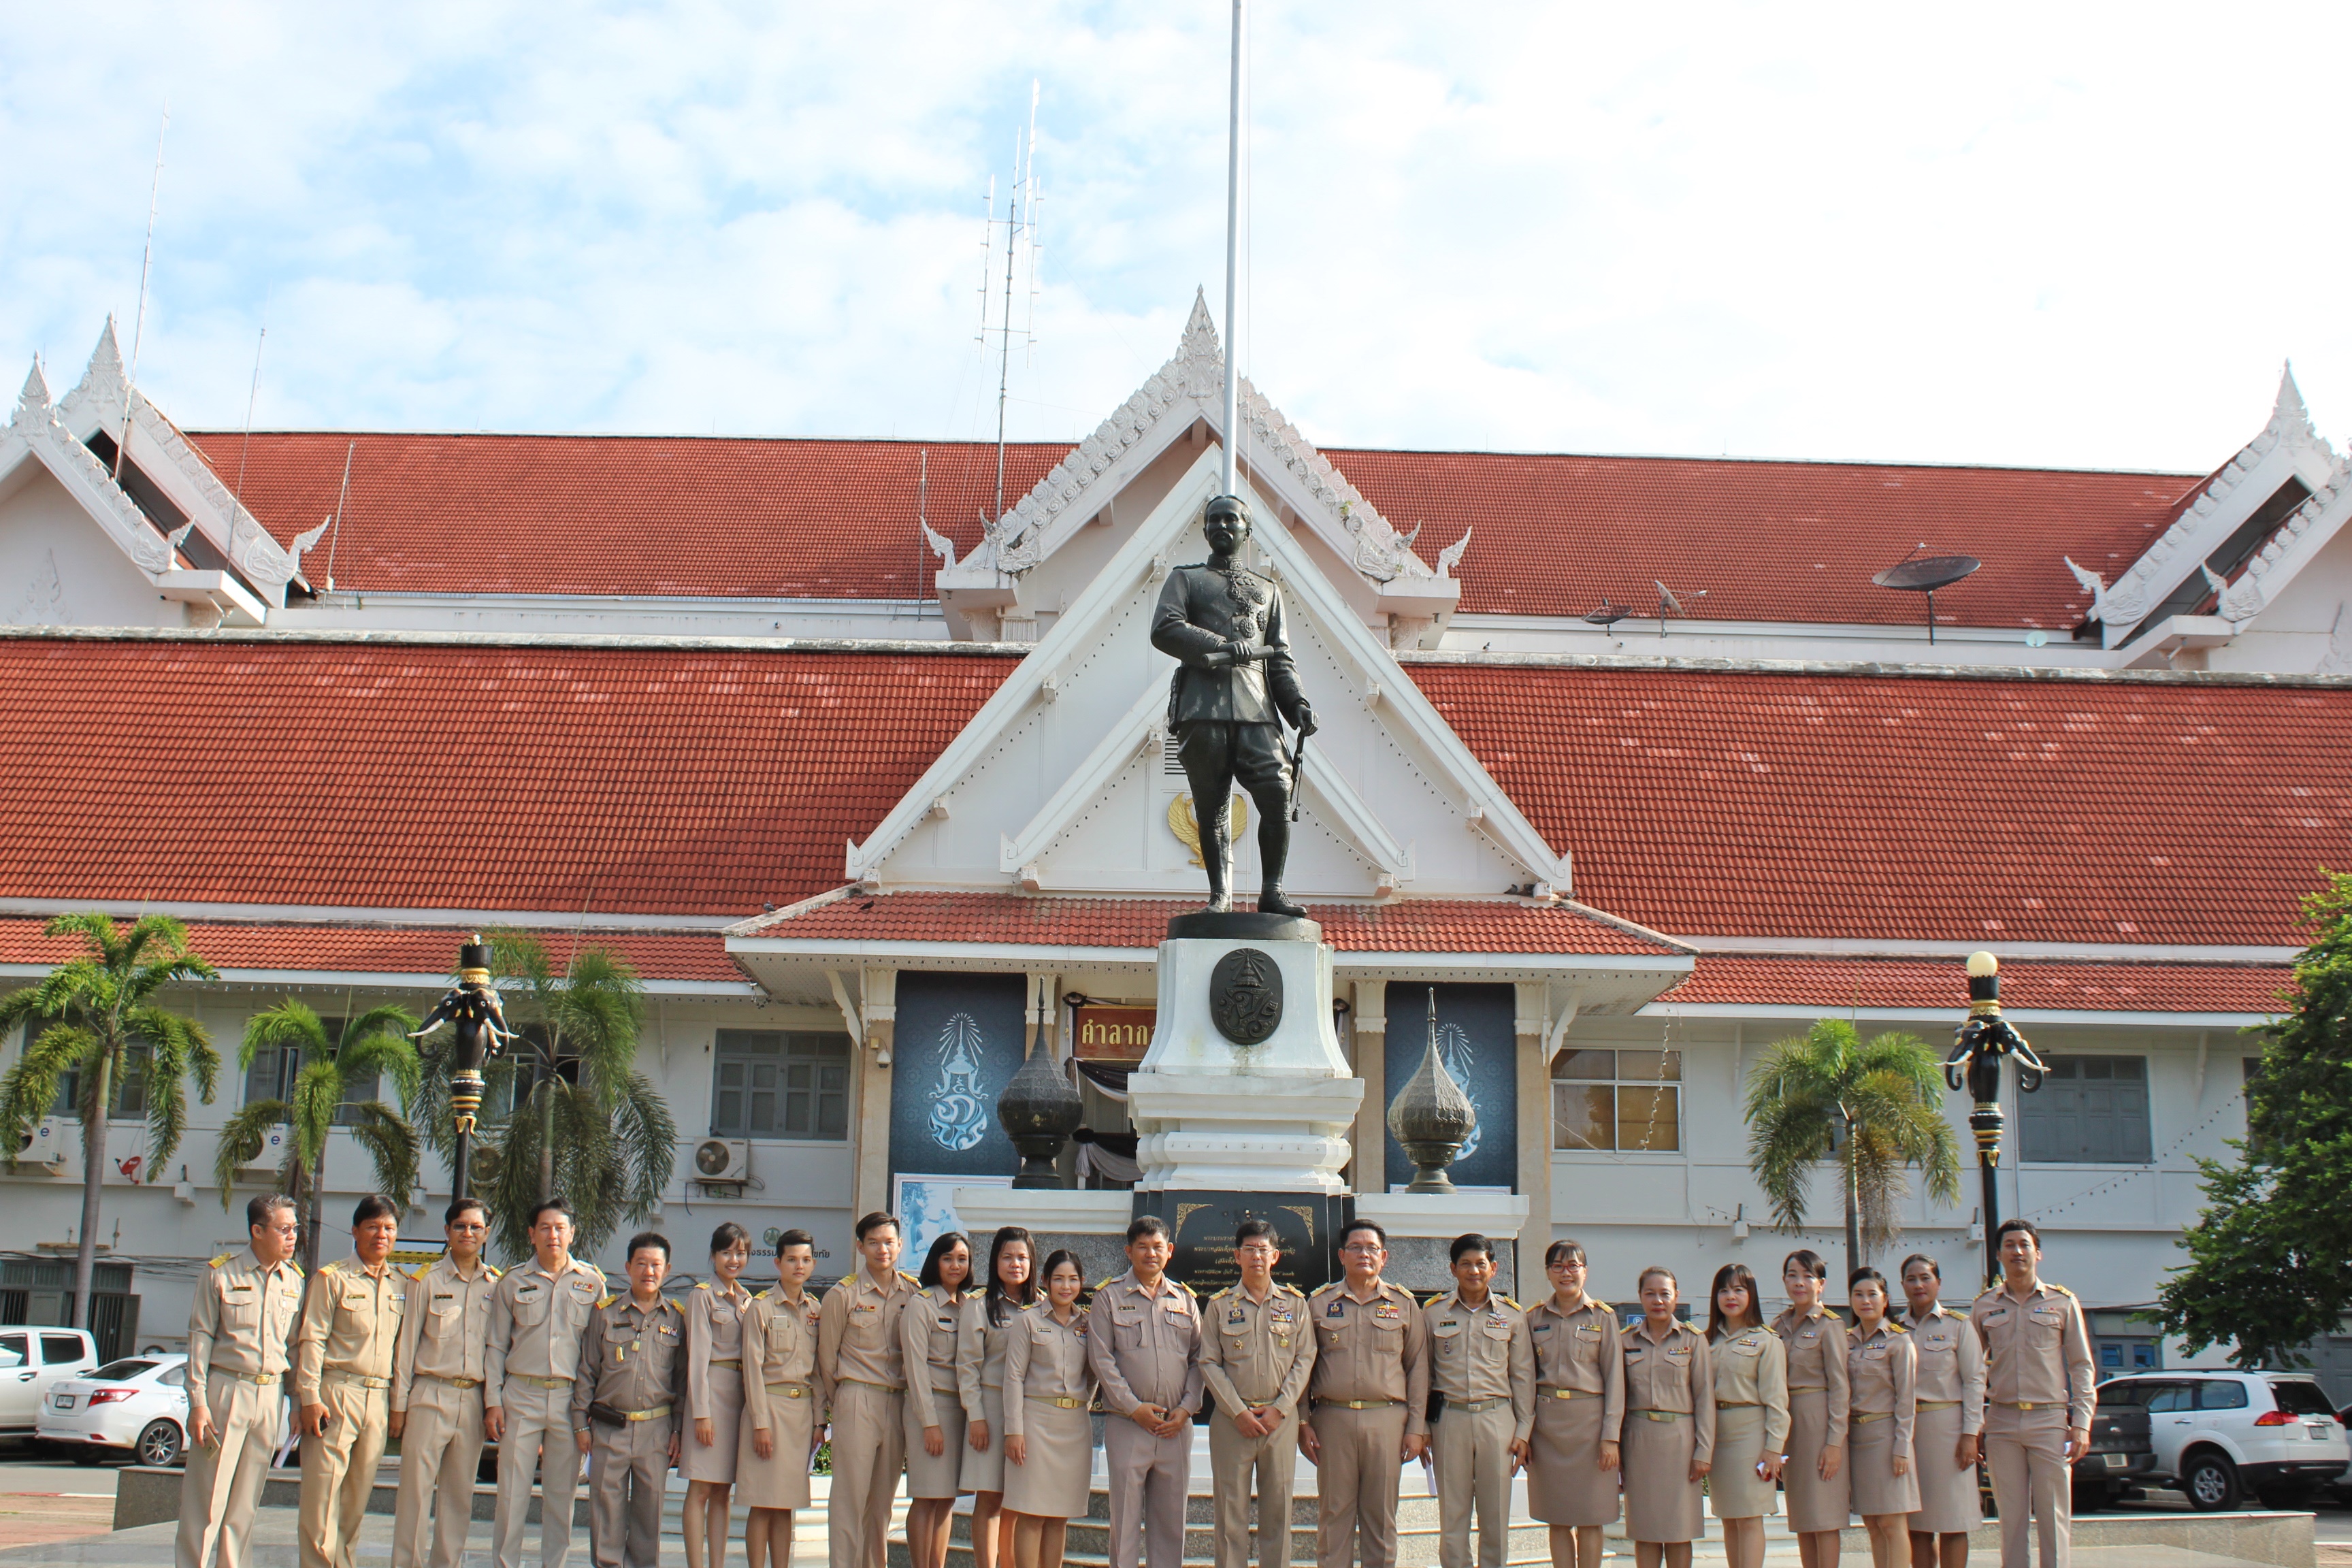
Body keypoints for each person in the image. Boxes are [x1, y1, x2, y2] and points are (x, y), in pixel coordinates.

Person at [1147, 491, 1319, 915]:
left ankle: (1272, 890)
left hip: (1257, 710)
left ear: (1247, 530)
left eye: (1231, 520)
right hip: (1202, 708)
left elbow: (1279, 656)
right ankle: (1220, 895)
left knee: (1278, 793)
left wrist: (1295, 702)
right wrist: (1223, 644)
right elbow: (1165, 627)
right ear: (1205, 531)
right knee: (1212, 806)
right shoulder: (1185, 580)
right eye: (1214, 521)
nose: (1222, 526)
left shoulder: (1268, 590)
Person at [176, 1193, 306, 1568]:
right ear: (257, 1230)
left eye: (294, 1228)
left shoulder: (293, 1280)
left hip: (270, 1396)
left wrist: (295, 1403)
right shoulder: (222, 1273)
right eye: (284, 1229)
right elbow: (200, 1337)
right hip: (226, 1392)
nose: (292, 1236)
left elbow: (294, 1347)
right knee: (208, 1499)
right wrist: (197, 1403)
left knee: (246, 1503)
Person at [1299, 1218, 1430, 1568]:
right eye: (1355, 1247)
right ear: (1342, 1255)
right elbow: (1303, 1366)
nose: (1364, 1254)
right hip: (1332, 1419)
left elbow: (1418, 1367)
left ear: (1384, 1257)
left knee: (1381, 1518)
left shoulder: (1403, 1305)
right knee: (1333, 1516)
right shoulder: (1319, 1303)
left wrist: (1416, 1427)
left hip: (1387, 1420)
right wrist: (1302, 1422)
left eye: (1372, 1248)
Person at [487, 1196, 607, 1568]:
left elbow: (600, 1350)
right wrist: (493, 1400)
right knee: (512, 1494)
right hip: (521, 1395)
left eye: (560, 1228)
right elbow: (495, 1345)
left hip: (571, 1402)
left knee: (562, 1496)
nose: (552, 1235)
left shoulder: (592, 1283)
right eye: (544, 1227)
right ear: (531, 1235)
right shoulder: (512, 1282)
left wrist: (591, 1409)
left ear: (572, 1233)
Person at [1970, 1220, 2095, 1568]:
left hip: (2050, 1421)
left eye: (2024, 1245)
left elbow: (2081, 1366)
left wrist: (2082, 1424)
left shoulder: (2063, 1302)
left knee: (2054, 1519)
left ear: (2037, 1253)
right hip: (2002, 1422)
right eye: (2009, 1245)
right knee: (2011, 1520)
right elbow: (1971, 1372)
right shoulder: (1983, 1307)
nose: (2017, 1251)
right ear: (1998, 1255)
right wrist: (1975, 1424)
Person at [293, 1194, 405, 1568]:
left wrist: (396, 1405)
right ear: (355, 1232)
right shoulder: (333, 1278)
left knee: (356, 1500)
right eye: (373, 1227)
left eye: (389, 1228)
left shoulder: (401, 1285)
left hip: (378, 1399)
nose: (381, 1235)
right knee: (322, 1496)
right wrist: (309, 1396)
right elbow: (312, 1338)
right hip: (336, 1394)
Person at [1198, 1219, 1316, 1568]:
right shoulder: (1219, 1306)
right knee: (1229, 1514)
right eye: (1248, 1250)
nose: (1256, 1257)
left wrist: (1281, 1408)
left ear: (1275, 1256)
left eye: (1263, 1250)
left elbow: (1305, 1357)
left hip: (1280, 1422)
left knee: (1278, 1513)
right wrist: (1238, 1411)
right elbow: (1208, 1362)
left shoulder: (1295, 1304)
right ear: (1237, 1256)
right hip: (1232, 1422)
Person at [1087, 1215, 1203, 1568]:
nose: (1150, 1254)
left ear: (1169, 1251)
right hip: (1128, 1424)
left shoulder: (1185, 1300)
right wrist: (1134, 1407)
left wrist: (1186, 1409)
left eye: (1157, 1247)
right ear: (1129, 1251)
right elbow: (1101, 1360)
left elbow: (1201, 1360)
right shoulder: (1108, 1298)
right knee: (1124, 1520)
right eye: (1142, 1247)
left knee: (1170, 1522)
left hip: (1175, 1426)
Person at [392, 1198, 502, 1568]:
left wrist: (492, 1404)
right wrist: (399, 1405)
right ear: (447, 1232)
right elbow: (406, 1346)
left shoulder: (496, 1286)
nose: (467, 1233)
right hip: (429, 1394)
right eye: (460, 1226)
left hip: (472, 1400)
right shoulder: (425, 1281)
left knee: (458, 1496)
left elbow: (497, 1350)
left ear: (487, 1234)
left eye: (475, 1227)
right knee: (415, 1494)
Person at [573, 1232, 684, 1568]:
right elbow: (587, 1370)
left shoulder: (676, 1318)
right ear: (628, 1267)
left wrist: (677, 1430)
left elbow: (681, 1381)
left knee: (649, 1511)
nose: (648, 1271)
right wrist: (581, 1423)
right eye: (641, 1264)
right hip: (610, 1426)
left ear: (667, 1270)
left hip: (656, 1429)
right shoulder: (605, 1314)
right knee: (606, 1506)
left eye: (656, 1265)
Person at [1422, 1233, 1533, 1568]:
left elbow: (1523, 1377)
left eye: (1480, 1264)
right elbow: (1423, 1374)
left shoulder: (1513, 1316)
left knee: (1495, 1516)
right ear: (1453, 1269)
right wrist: (1423, 1427)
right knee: (1452, 1516)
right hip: (1449, 1421)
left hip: (1497, 1420)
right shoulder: (1432, 1313)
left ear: (1494, 1268)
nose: (1474, 1271)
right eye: (1466, 1264)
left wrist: (1524, 1431)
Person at [817, 1211, 919, 1568]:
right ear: (860, 1246)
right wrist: (841, 1403)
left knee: (882, 1504)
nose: (882, 1250)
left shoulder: (913, 1292)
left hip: (898, 1404)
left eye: (889, 1242)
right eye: (873, 1242)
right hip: (857, 1397)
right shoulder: (842, 1295)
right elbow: (826, 1362)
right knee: (849, 1499)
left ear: (900, 1245)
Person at [1524, 1239, 1623, 1568]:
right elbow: (1524, 1379)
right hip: (1548, 1428)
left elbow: (1615, 1381)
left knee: (1591, 1516)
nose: (1566, 1273)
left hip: (1590, 1428)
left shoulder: (1604, 1317)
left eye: (1573, 1266)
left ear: (1585, 1272)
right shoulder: (1534, 1318)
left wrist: (1611, 1437)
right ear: (1548, 1273)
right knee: (1558, 1516)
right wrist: (1526, 1432)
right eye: (1558, 1267)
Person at [1003, 1251, 1098, 1568]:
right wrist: (1014, 1430)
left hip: (1074, 1427)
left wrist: (1081, 1401)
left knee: (1059, 1517)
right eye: (1058, 1279)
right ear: (1044, 1281)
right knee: (1032, 1515)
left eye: (1073, 1279)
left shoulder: (1088, 1324)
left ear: (1082, 1283)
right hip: (1035, 1425)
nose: (1066, 1286)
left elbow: (1093, 1374)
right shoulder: (1027, 1320)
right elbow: (1013, 1377)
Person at [739, 1230, 825, 1568]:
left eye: (805, 1260)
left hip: (801, 1415)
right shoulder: (760, 1308)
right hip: (769, 1411)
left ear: (814, 1264)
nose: (798, 1266)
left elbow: (819, 1371)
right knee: (762, 1502)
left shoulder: (816, 1310)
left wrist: (820, 1421)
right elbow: (752, 1370)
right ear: (777, 1262)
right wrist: (760, 1423)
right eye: (791, 1259)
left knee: (786, 1503)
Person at [1618, 1266, 1712, 1568]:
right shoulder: (1625, 1341)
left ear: (1676, 1297)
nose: (1658, 1300)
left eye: (1664, 1294)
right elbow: (1617, 1400)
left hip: (1680, 1443)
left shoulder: (1693, 1341)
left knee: (1678, 1530)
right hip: (1639, 1440)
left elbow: (1704, 1400)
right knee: (1644, 1529)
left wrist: (1703, 1451)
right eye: (1650, 1294)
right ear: (1640, 1297)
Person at [960, 1227, 1039, 1568]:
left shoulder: (1044, 1306)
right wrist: (976, 1417)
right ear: (995, 1262)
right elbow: (967, 1367)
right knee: (990, 1498)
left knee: (1018, 1500)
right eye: (1007, 1257)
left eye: (1022, 1257)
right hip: (991, 1411)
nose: (1015, 1264)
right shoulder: (980, 1307)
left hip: (1029, 1414)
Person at [1901, 1254, 1983, 1568]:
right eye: (1911, 1278)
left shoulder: (1959, 1326)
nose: (1919, 1284)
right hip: (1907, 1432)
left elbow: (1975, 1381)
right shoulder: (1894, 1328)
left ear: (1938, 1282)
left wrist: (1970, 1434)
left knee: (1953, 1519)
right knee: (1916, 1523)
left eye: (1925, 1277)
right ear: (1903, 1285)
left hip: (1949, 1429)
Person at [1704, 1263, 1788, 1568]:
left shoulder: (1768, 1341)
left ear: (1751, 1295)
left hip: (1751, 1435)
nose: (1731, 1296)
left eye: (1739, 1289)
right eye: (1724, 1290)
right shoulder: (1706, 1341)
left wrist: (1774, 1447)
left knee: (1750, 1517)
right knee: (1728, 1518)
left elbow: (1777, 1401)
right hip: (1717, 1436)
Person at [904, 1231, 977, 1568]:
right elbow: (916, 1368)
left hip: (960, 1411)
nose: (955, 1265)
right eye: (948, 1258)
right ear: (935, 1262)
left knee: (947, 1498)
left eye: (962, 1259)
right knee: (926, 1497)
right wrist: (929, 1423)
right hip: (930, 1408)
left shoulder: (971, 1306)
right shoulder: (922, 1304)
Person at [1774, 1250, 1851, 1568]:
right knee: (1803, 1516)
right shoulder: (1778, 1325)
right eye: (1793, 1275)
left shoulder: (1830, 1325)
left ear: (1821, 1284)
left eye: (1808, 1276)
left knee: (1825, 1516)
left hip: (1819, 1424)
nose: (1799, 1282)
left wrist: (1835, 1443)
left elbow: (1840, 1386)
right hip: (1790, 1426)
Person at [683, 1222, 755, 1568]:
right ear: (713, 1255)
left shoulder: (746, 1299)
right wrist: (701, 1413)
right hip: (711, 1395)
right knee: (700, 1489)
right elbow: (697, 1357)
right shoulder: (701, 1296)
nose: (733, 1259)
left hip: (737, 1400)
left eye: (740, 1253)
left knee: (723, 1490)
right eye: (726, 1252)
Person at [1846, 1269, 1918, 1568]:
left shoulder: (1900, 1342)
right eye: (1858, 1294)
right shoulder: (1845, 1341)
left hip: (1887, 1436)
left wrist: (1902, 1446)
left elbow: (1907, 1398)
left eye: (1872, 1294)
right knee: (1873, 1524)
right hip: (1857, 1438)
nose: (1866, 1301)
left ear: (1886, 1300)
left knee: (1892, 1522)